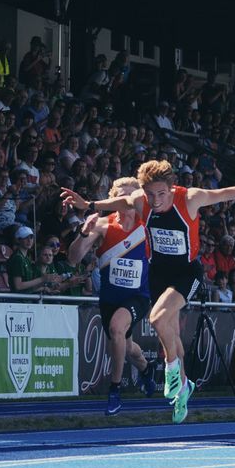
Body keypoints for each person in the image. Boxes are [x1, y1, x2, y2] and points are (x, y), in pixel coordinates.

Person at [65, 160, 235, 424]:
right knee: (171, 332)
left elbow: (224, 193)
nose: (155, 201)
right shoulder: (140, 200)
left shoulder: (189, 198)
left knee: (157, 319)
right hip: (158, 274)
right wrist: (89, 205)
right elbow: (120, 204)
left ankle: (171, 371)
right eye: (150, 194)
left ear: (171, 187)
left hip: (186, 273)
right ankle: (183, 389)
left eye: (161, 194)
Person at [67, 173, 153, 413]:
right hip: (109, 299)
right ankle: (146, 369)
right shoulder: (103, 226)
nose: (125, 202)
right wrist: (84, 233)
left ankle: (114, 391)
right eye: (120, 197)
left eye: (130, 197)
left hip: (139, 296)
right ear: (113, 200)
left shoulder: (146, 226)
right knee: (125, 346)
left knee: (117, 329)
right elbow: (73, 260)